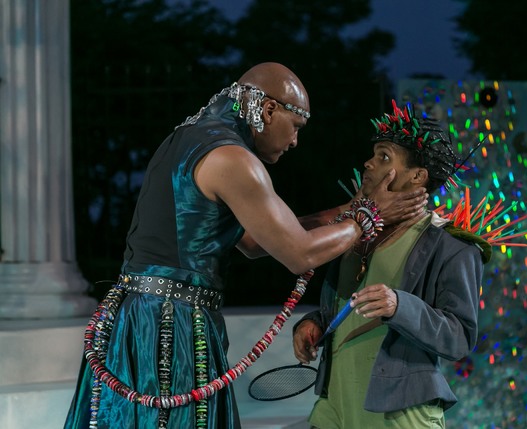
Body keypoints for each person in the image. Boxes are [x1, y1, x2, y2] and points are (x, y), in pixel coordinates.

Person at [64, 63, 429, 429]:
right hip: (170, 328)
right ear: (269, 110)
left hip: (135, 316)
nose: (295, 142)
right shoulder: (233, 158)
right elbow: (299, 253)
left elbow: (255, 242)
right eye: (296, 127)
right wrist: (369, 215)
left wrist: (349, 210)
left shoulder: (188, 137)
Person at [293, 100, 492, 429]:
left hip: (399, 415)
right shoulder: (354, 233)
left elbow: (459, 337)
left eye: (384, 156)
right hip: (336, 407)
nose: (369, 164)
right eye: (373, 155)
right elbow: (350, 305)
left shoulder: (452, 246)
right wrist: (314, 322)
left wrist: (400, 305)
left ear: (418, 176)